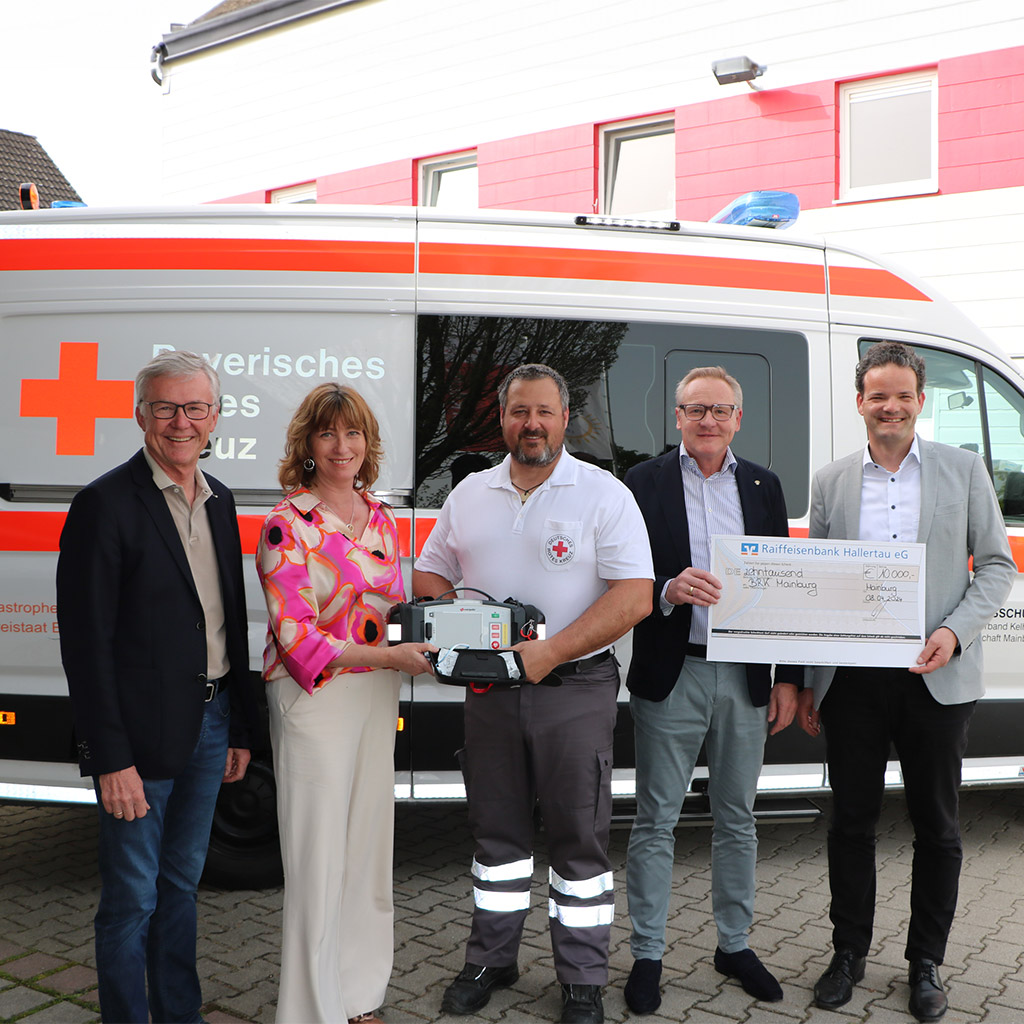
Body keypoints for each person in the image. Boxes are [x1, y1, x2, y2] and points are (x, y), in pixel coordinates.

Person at [413, 363, 654, 1024]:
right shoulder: (471, 493)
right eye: (520, 411)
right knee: (495, 836)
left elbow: (635, 596)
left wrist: (552, 650)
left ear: (565, 419)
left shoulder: (603, 494)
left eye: (545, 411)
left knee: (578, 837)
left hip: (573, 687)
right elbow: (431, 572)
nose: (532, 424)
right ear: (503, 418)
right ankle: (492, 959)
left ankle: (582, 978)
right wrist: (454, 622)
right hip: (490, 690)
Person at [796, 341, 1016, 1022]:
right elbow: (816, 585)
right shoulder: (832, 481)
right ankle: (848, 953)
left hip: (936, 679)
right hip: (854, 684)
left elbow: (998, 568)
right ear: (859, 402)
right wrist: (809, 680)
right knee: (851, 824)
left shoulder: (964, 468)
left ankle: (926, 963)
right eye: (877, 396)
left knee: (937, 828)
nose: (889, 407)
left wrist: (953, 632)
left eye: (901, 395)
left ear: (920, 400)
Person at [56, 350, 255, 1024]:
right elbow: (86, 646)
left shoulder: (220, 499)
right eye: (166, 408)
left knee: (181, 887)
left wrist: (240, 727)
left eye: (195, 407)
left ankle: (179, 1014)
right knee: (132, 899)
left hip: (212, 724)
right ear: (141, 415)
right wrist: (110, 759)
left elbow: (228, 620)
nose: (181, 422)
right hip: (138, 743)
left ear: (215, 416)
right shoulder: (103, 504)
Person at [621, 367, 800, 1013]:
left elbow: (787, 584)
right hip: (674, 673)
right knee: (655, 821)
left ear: (737, 420)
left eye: (721, 410)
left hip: (745, 676)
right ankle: (647, 953)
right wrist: (667, 589)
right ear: (677, 417)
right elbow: (619, 572)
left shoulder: (763, 485)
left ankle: (734, 945)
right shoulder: (641, 483)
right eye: (696, 409)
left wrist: (789, 678)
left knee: (738, 819)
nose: (708, 420)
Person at [256, 383, 435, 1024]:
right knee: (317, 861)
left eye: (353, 432)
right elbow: (297, 638)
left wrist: (440, 634)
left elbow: (391, 612)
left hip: (374, 695)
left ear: (367, 443)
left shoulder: (380, 517)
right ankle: (311, 1011)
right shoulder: (285, 523)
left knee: (367, 851)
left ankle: (359, 998)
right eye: (328, 433)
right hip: (315, 699)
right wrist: (389, 657)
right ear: (307, 443)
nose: (341, 446)